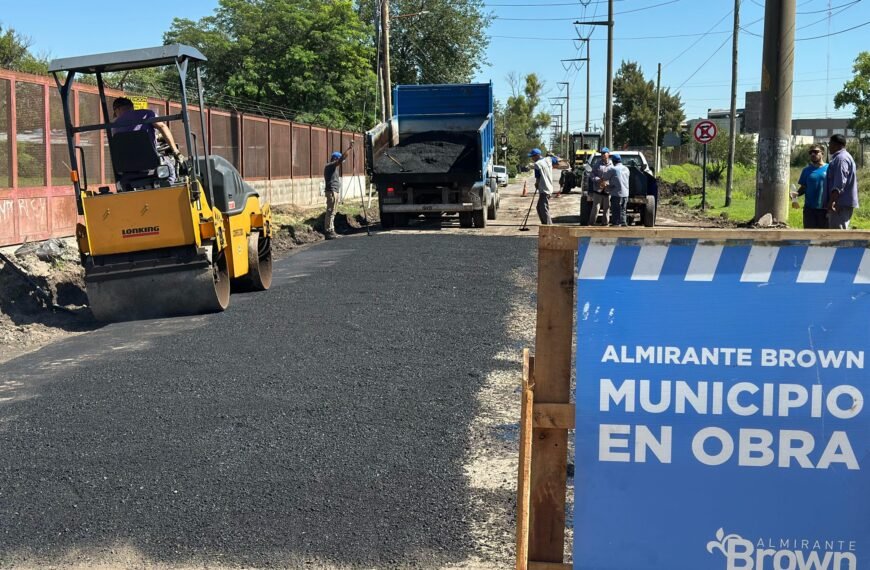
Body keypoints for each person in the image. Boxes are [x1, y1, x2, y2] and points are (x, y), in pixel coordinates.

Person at [824, 134, 858, 229]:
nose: (829, 146)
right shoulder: (841, 157)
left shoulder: (841, 159)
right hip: (840, 203)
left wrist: (832, 201)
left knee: (838, 234)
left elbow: (839, 182)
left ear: (837, 145)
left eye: (830, 143)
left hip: (839, 204)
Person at [791, 145, 829, 229]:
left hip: (825, 209)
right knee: (809, 236)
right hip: (809, 210)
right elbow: (804, 187)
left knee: (824, 237)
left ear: (822, 154)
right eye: (810, 152)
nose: (813, 154)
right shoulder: (806, 170)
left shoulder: (829, 168)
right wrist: (796, 194)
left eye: (815, 152)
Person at [324, 141, 354, 239]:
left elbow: (341, 160)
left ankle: (332, 230)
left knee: (333, 211)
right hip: (331, 192)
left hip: (335, 191)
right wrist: (349, 148)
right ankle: (329, 231)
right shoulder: (330, 166)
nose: (341, 164)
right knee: (330, 211)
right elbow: (341, 159)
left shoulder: (333, 167)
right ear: (335, 158)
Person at [599, 153, 630, 226]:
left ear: (613, 161)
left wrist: (604, 184)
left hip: (617, 193)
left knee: (616, 210)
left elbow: (604, 178)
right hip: (625, 193)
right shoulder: (626, 169)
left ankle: (616, 225)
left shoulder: (612, 169)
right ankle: (623, 223)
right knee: (623, 209)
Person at [588, 147, 612, 226]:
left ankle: (605, 223)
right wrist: (598, 180)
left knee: (606, 208)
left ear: (608, 154)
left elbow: (614, 176)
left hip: (607, 190)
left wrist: (607, 183)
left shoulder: (612, 165)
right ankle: (591, 223)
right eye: (602, 153)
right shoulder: (597, 164)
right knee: (595, 208)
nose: (603, 155)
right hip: (598, 190)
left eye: (604, 153)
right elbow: (592, 175)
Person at [529, 148, 553, 225]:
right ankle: (544, 224)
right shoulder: (548, 160)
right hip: (549, 188)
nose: (532, 158)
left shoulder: (537, 164)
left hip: (544, 189)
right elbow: (555, 159)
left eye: (533, 156)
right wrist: (552, 155)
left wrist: (536, 184)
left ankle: (549, 226)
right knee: (539, 207)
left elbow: (538, 177)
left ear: (537, 155)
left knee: (543, 208)